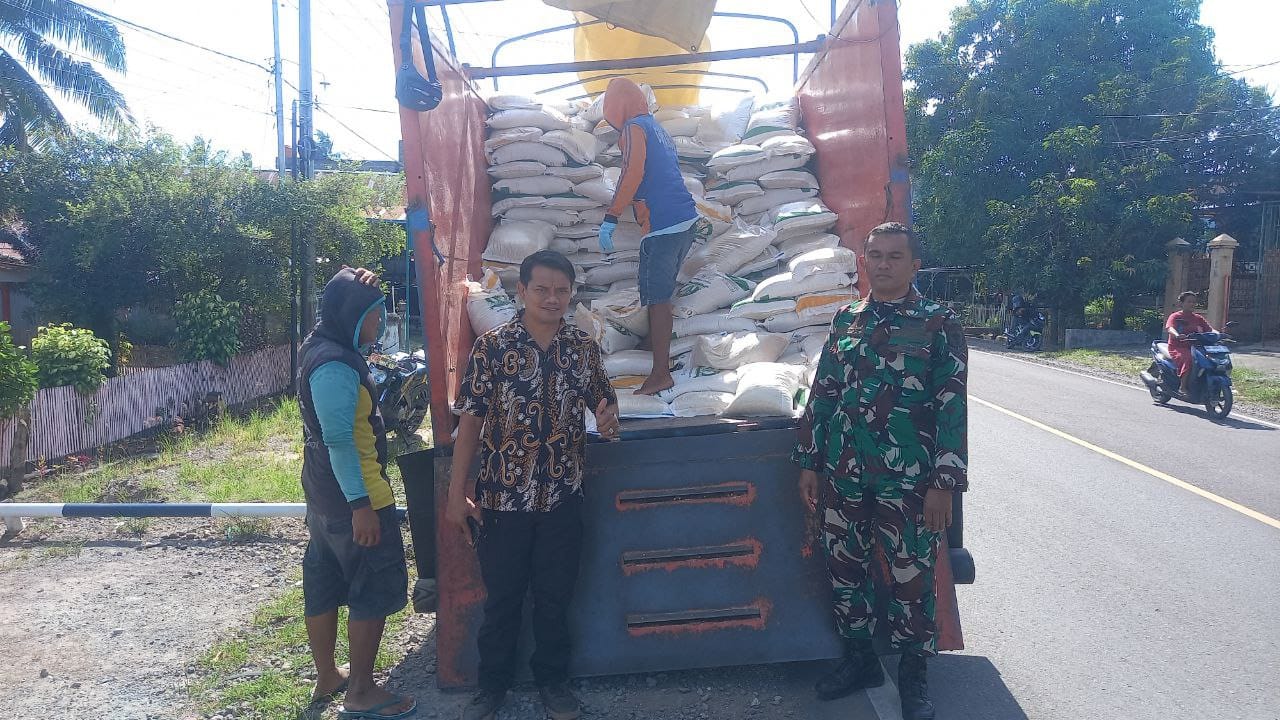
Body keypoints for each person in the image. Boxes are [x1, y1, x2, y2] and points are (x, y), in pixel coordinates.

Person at [794, 223, 968, 720]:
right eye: (875, 255)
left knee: (911, 577)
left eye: (895, 256)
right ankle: (861, 659)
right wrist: (809, 460)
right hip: (845, 471)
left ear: (915, 266)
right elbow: (824, 392)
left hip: (908, 478)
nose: (883, 264)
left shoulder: (938, 323)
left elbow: (952, 407)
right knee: (844, 569)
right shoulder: (846, 320)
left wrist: (944, 484)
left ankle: (914, 673)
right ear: (864, 260)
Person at [448, 250, 621, 720]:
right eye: (542, 289)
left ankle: (553, 683)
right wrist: (455, 493)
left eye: (561, 290)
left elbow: (605, 404)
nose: (552, 298)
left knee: (554, 598)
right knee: (502, 600)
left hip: (562, 497)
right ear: (521, 291)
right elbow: (470, 422)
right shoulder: (493, 348)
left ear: (571, 294)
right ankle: (491, 687)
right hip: (503, 498)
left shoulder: (581, 348)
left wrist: (609, 419)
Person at [298, 266, 416, 720]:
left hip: (323, 494)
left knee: (325, 580)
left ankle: (328, 675)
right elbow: (341, 441)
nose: (381, 321)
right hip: (356, 495)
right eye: (375, 313)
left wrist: (351, 280)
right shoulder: (335, 367)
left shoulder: (320, 345)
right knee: (370, 588)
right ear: (352, 316)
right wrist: (362, 507)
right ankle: (361, 691)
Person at [598, 77, 708, 395]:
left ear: (617, 106)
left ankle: (661, 373)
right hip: (685, 220)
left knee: (657, 299)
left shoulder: (634, 128)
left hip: (662, 224)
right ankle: (652, 343)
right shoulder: (656, 128)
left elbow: (631, 172)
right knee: (660, 291)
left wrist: (611, 216)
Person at [1166, 291, 1214, 396]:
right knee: (1189, 359)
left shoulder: (1198, 318)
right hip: (1178, 347)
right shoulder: (1175, 316)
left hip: (1196, 347)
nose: (1192, 304)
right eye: (1189, 301)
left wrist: (1220, 335)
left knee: (1210, 360)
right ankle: (1182, 387)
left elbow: (1210, 330)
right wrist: (1177, 335)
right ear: (1181, 303)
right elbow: (1170, 328)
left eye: (1194, 302)